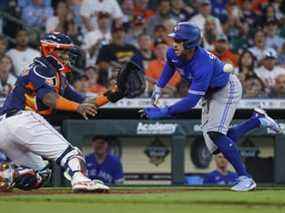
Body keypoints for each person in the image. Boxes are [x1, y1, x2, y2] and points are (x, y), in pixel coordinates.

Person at [141, 22, 281, 191]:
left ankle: (246, 178)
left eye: (179, 40)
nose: (174, 43)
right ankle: (257, 121)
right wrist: (159, 86)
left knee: (215, 133)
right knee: (216, 146)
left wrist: (163, 112)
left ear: (191, 43)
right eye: (175, 39)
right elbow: (171, 65)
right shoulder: (173, 52)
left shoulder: (202, 64)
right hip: (210, 91)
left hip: (226, 88)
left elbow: (191, 102)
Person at [0, 32, 131, 193]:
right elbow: (49, 98)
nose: (67, 55)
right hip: (22, 119)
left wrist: (114, 93)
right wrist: (76, 108)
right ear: (49, 50)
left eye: (67, 51)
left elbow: (84, 102)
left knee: (40, 174)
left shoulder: (58, 75)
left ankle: (7, 176)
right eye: (63, 51)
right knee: (72, 154)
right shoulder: (41, 67)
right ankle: (81, 180)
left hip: (5, 129)